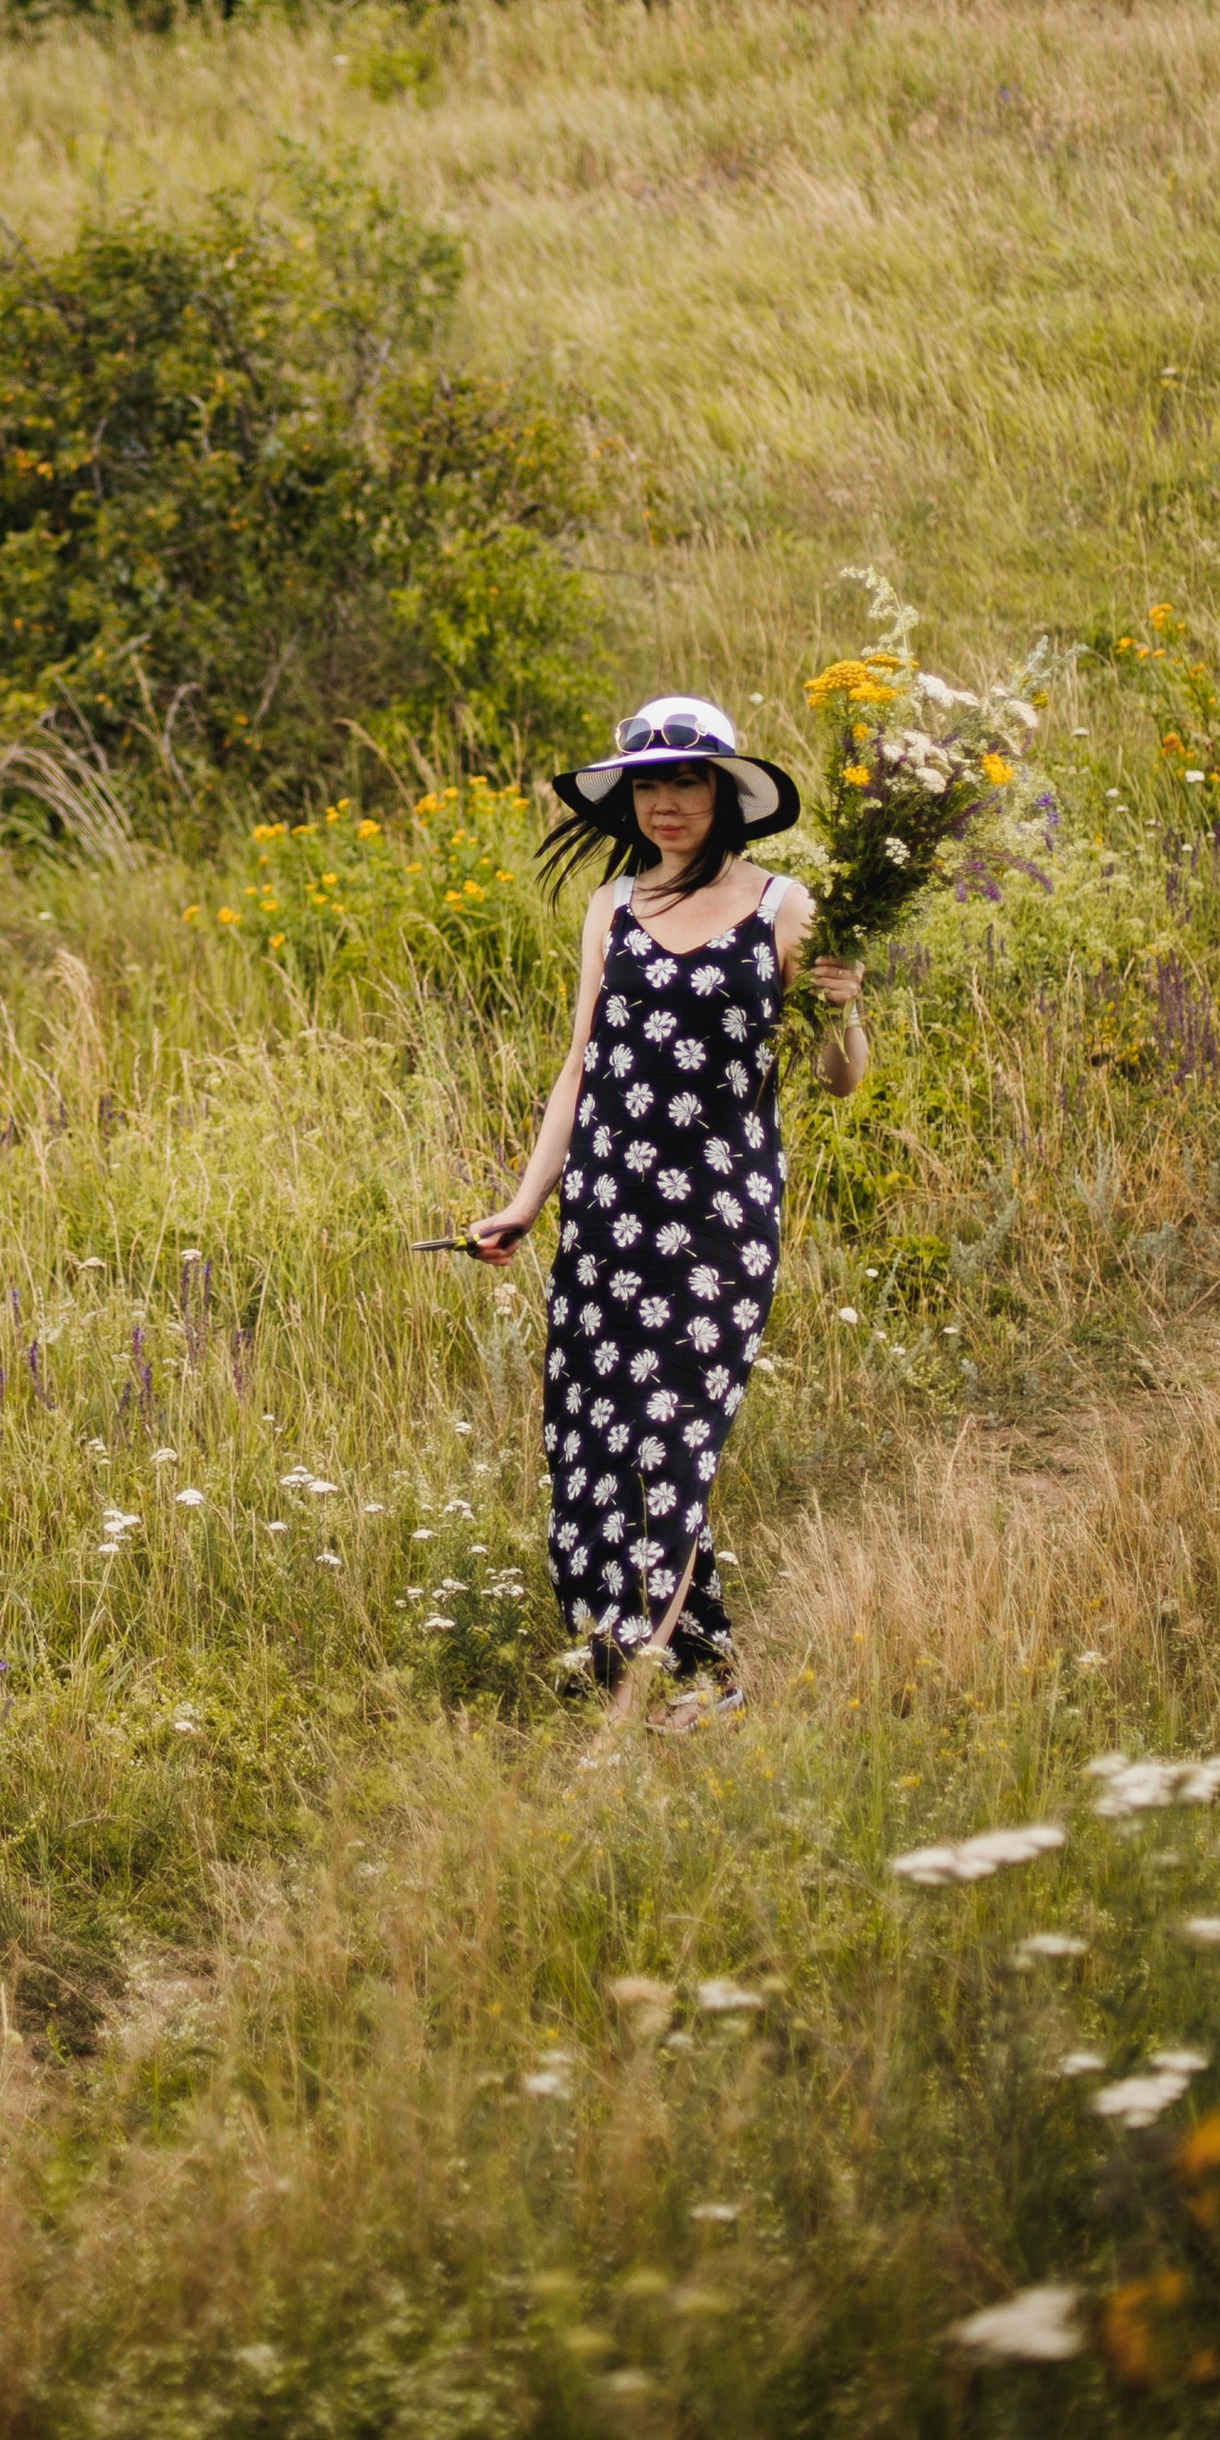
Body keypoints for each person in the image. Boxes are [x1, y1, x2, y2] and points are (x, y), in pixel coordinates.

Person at [469, 695, 867, 1732]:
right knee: (592, 1442)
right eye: (648, 784)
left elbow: (838, 1080)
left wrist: (843, 1002)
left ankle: (630, 1704)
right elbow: (580, 1069)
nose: (666, 803)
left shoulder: (784, 905)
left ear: (726, 791)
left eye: (686, 781)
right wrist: (522, 1203)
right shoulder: (610, 908)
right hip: (606, 1212)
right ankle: (709, 1679)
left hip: (718, 1219)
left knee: (669, 1442)